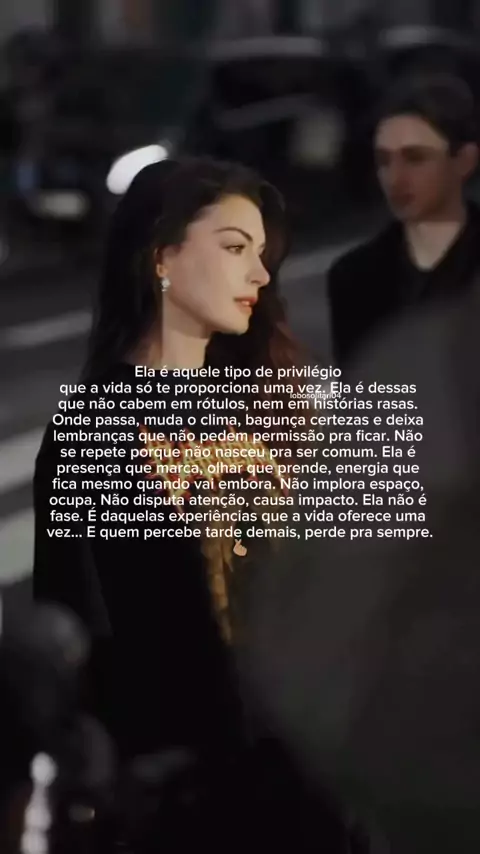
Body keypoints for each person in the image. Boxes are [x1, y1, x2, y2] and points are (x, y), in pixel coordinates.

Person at [327, 72, 480, 367]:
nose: (395, 179)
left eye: (415, 158)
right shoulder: (353, 277)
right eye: (384, 160)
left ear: (464, 161)